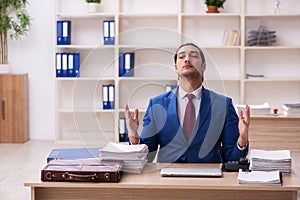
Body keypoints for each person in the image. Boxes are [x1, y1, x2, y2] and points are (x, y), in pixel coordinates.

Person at [125, 43, 250, 163]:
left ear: (203, 66)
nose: (187, 59)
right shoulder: (157, 104)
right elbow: (147, 157)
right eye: (181, 56)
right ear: (175, 67)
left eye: (194, 56)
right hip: (167, 179)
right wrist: (133, 136)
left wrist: (242, 139)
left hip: (209, 178)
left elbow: (232, 158)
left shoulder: (223, 104)